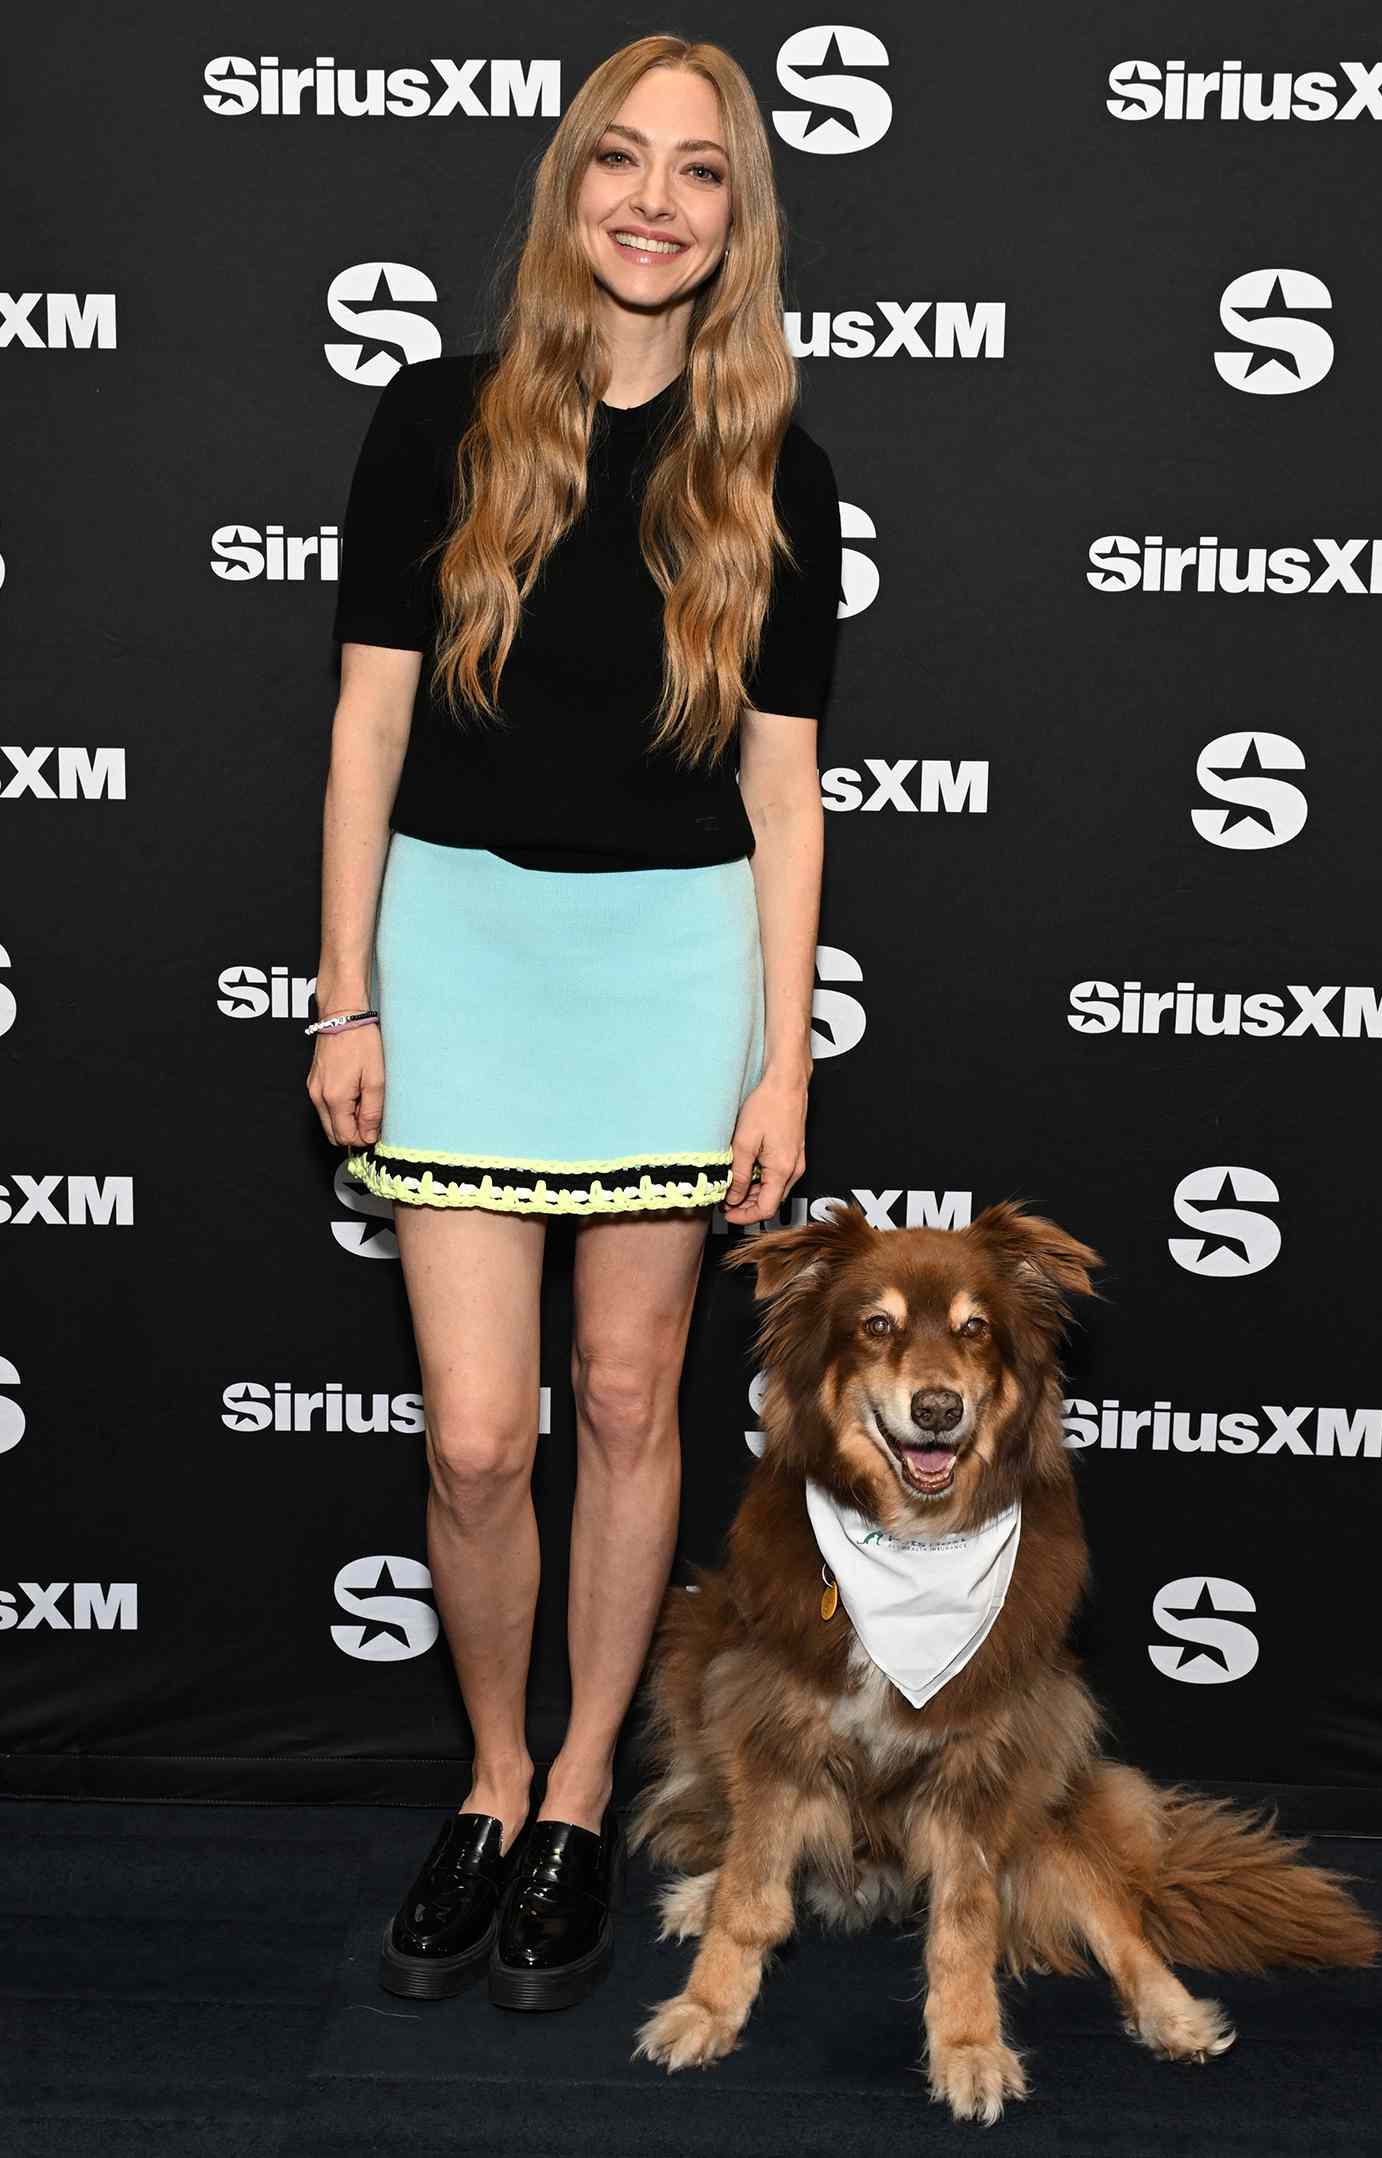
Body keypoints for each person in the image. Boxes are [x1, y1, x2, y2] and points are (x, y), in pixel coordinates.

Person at [306, 33, 842, 2015]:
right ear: (568, 187)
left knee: (628, 1401)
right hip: (453, 952)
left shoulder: (776, 460)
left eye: (697, 173)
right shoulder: (429, 418)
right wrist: (344, 987)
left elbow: (783, 798)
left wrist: (783, 1057)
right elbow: (366, 727)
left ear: (734, 221)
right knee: (470, 1438)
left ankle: (577, 1793)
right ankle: (491, 1768)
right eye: (620, 159)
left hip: (673, 967)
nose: (652, 200)